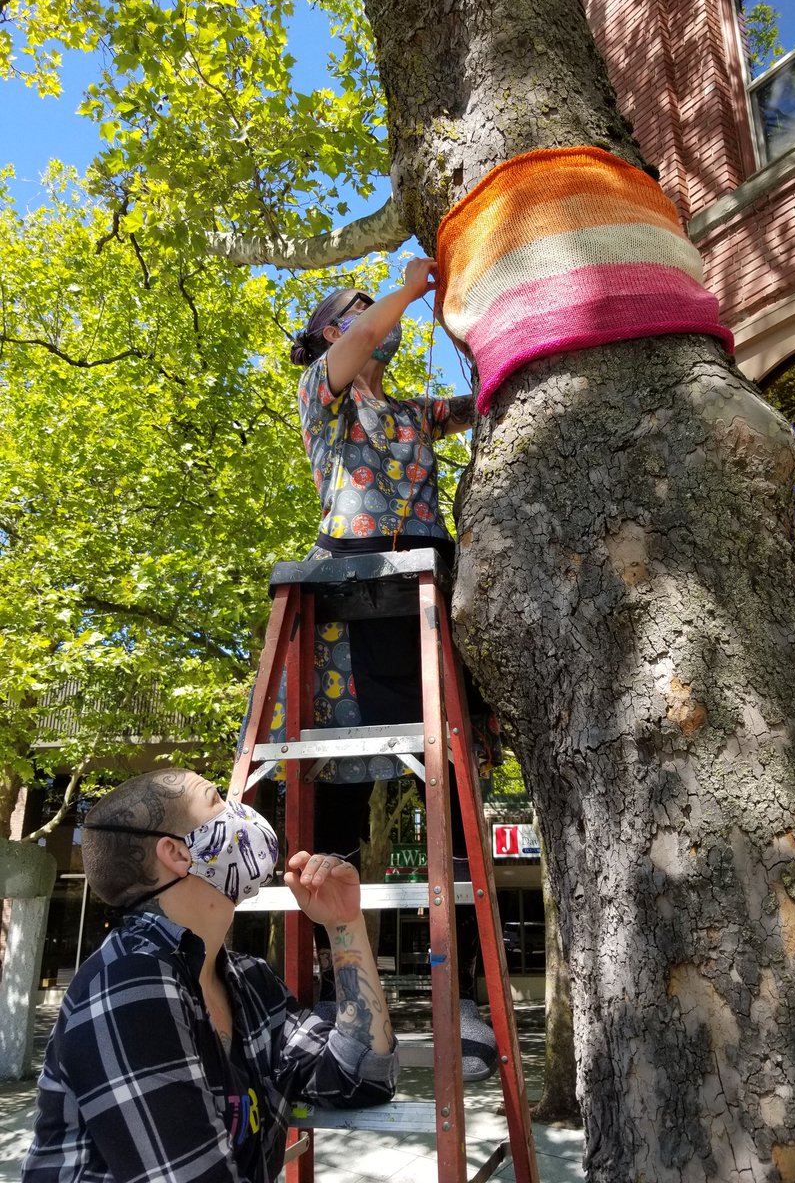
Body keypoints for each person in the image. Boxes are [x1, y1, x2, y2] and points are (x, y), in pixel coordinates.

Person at [289, 258, 498, 1081]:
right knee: (335, 797)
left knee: (448, 788)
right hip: (351, 595)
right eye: (364, 313)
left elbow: (482, 401)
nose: (382, 320)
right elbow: (369, 334)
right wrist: (412, 286)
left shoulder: (412, 411)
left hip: (423, 592)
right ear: (337, 331)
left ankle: (471, 1005)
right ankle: (335, 1008)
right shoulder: (322, 391)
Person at [22, 768, 398, 1183]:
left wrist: (344, 925)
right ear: (179, 854)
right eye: (216, 799)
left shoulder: (247, 980)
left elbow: (359, 1078)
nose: (242, 813)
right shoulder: (128, 983)